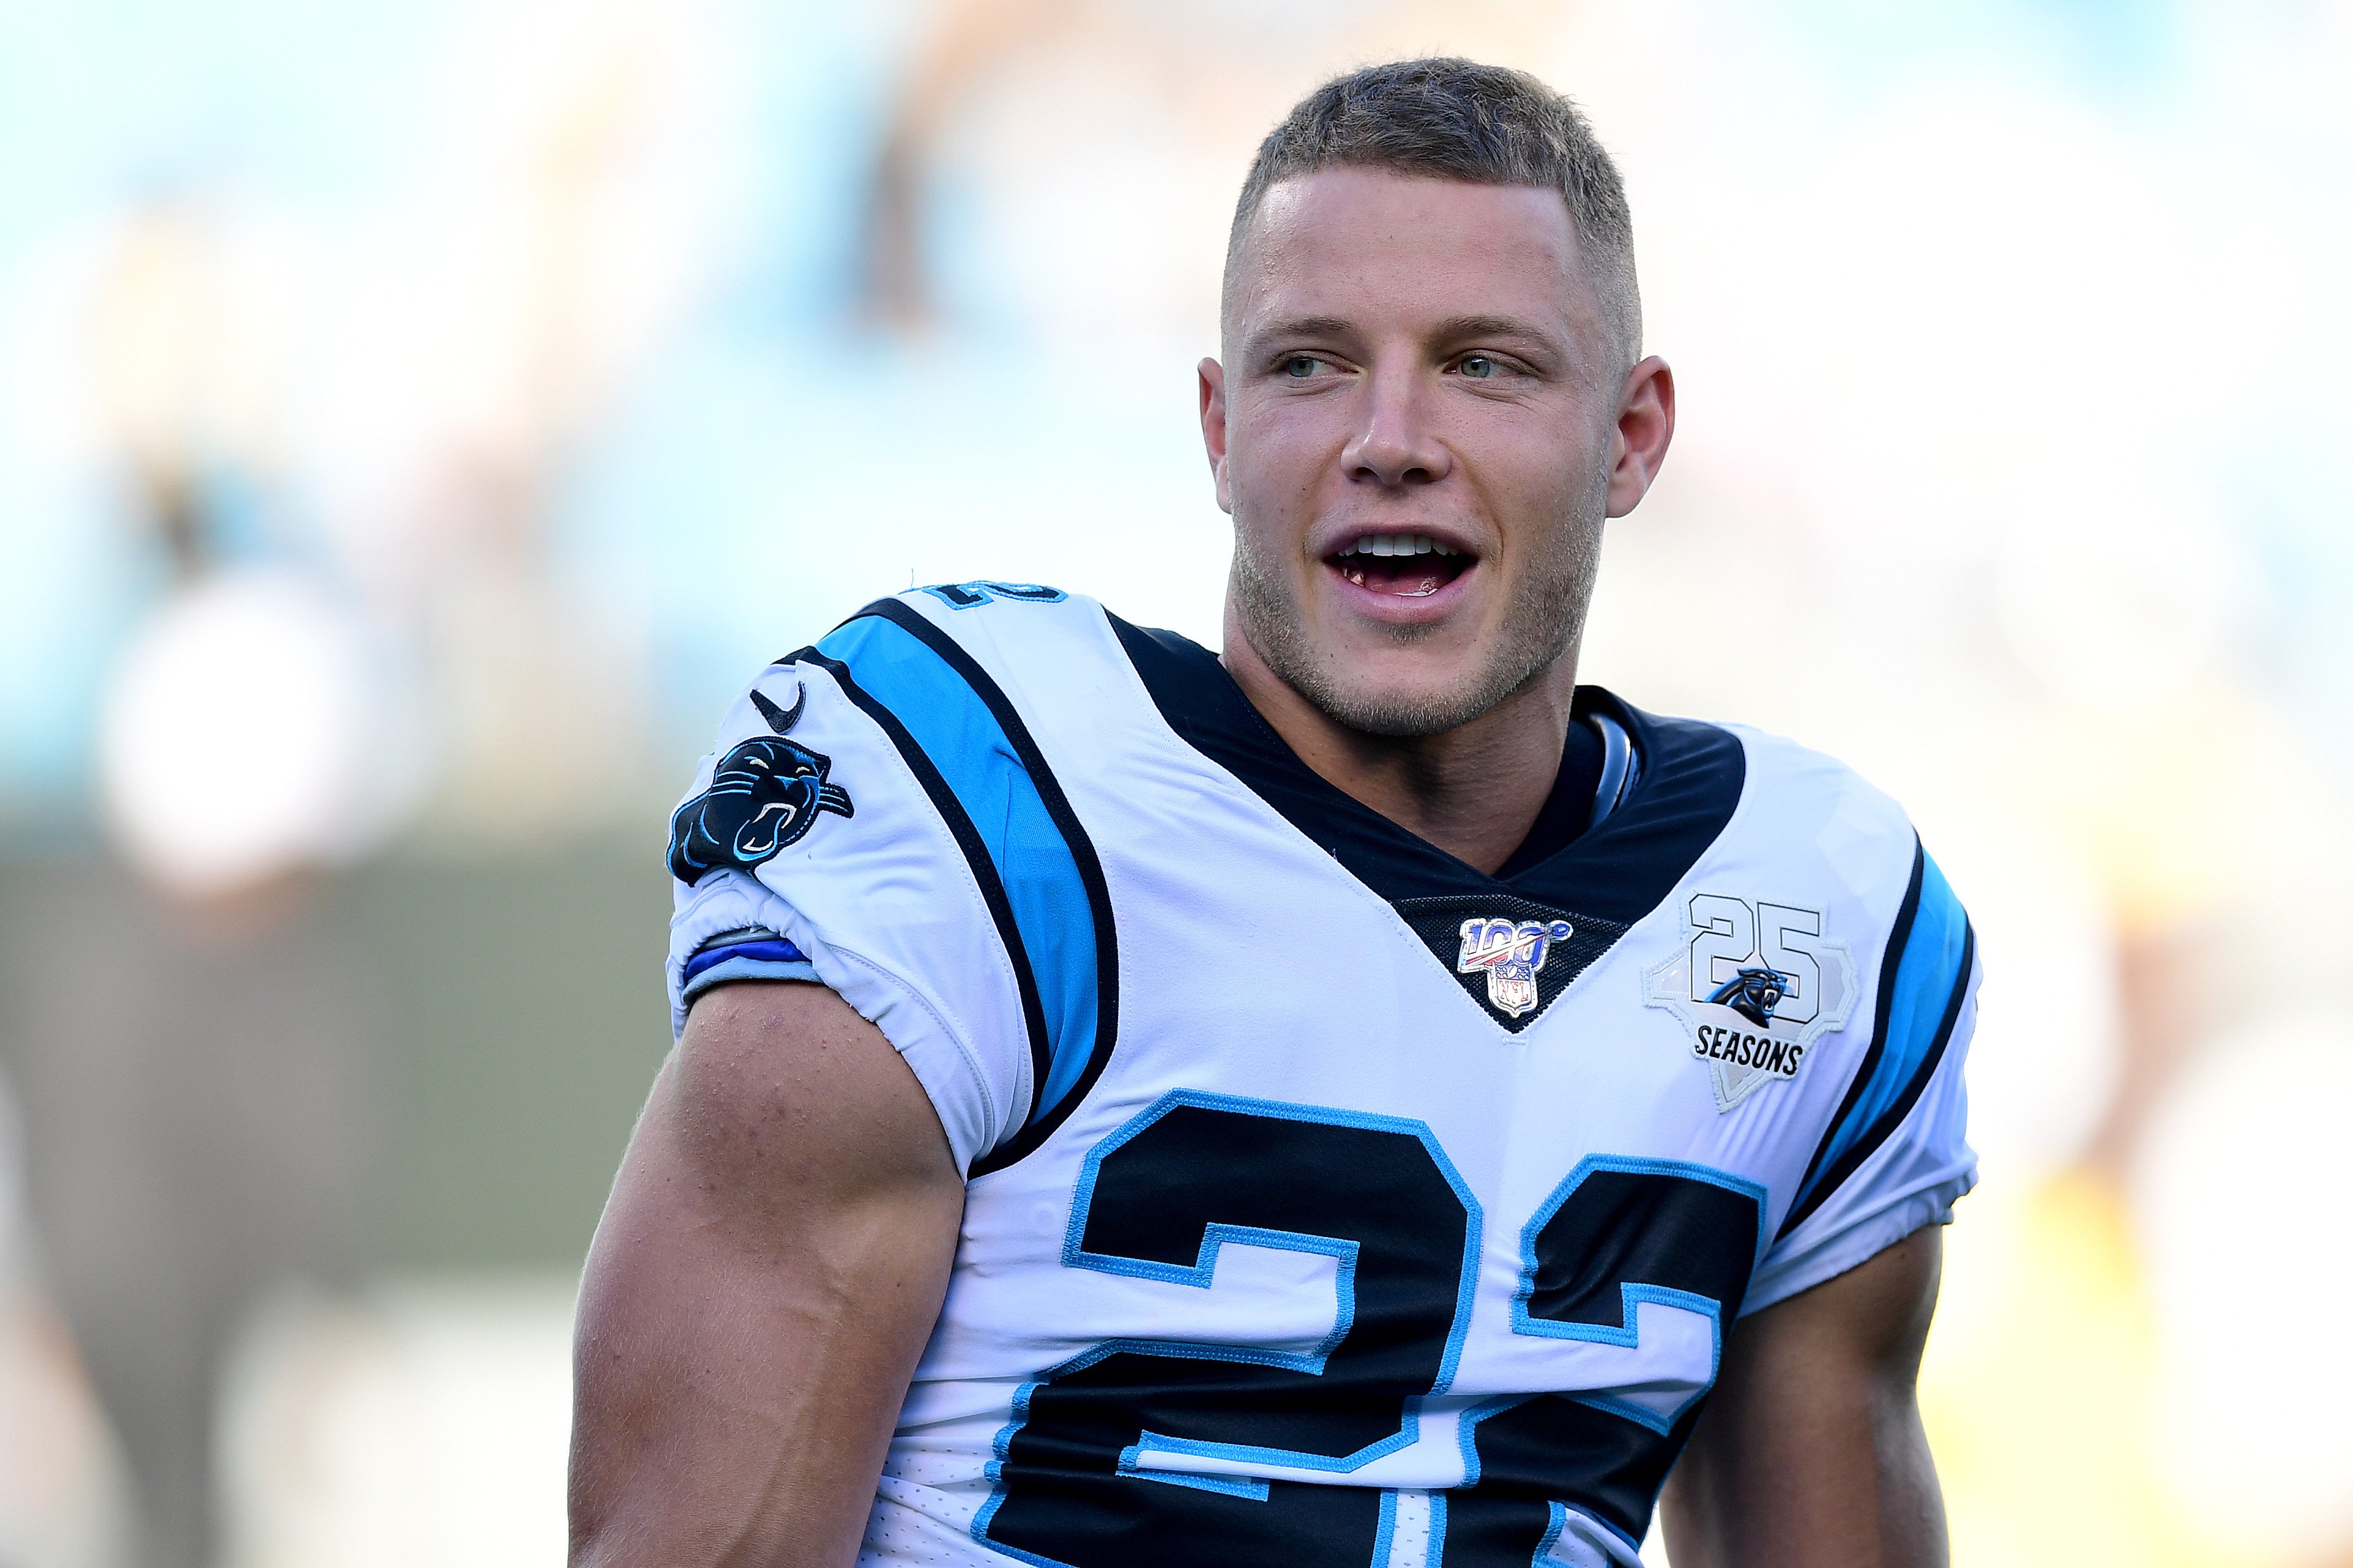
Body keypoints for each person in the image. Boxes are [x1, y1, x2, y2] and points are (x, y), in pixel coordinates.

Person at [570, 58, 1979, 1568]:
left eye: (1485, 364)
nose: (1393, 434)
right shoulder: (989, 813)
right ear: (1220, 429)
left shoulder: (1818, 914)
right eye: (1312, 363)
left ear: (1631, 437)